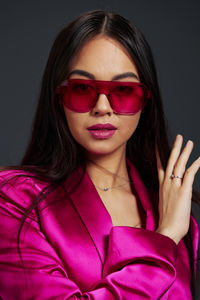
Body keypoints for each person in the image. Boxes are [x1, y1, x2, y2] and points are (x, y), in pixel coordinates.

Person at [0, 9, 199, 300]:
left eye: (123, 90)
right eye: (82, 88)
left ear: (146, 101)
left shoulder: (172, 211)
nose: (102, 107)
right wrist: (164, 240)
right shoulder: (14, 200)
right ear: (58, 98)